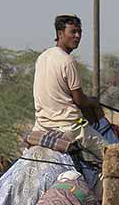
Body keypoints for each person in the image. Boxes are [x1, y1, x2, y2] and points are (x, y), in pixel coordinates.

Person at [31, 14, 108, 161]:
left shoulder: (42, 57)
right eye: (73, 32)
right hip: (71, 127)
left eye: (79, 32)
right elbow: (79, 101)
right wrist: (92, 101)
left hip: (41, 126)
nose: (77, 36)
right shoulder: (68, 61)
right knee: (114, 156)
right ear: (60, 34)